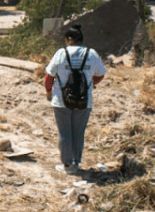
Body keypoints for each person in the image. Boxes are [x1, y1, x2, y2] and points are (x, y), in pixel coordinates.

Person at [44, 24, 107, 174]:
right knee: (78, 133)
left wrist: (48, 92)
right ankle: (76, 163)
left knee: (65, 133)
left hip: (61, 100)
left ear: (69, 39)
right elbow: (101, 74)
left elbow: (49, 77)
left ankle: (67, 164)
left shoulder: (61, 53)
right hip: (85, 100)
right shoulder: (91, 54)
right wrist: (91, 84)